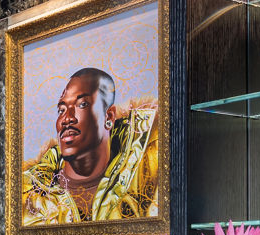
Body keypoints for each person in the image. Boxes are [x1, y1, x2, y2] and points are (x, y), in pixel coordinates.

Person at [21, 67, 159, 225]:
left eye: (82, 104)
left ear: (109, 116)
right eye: (61, 109)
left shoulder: (149, 168)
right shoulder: (29, 193)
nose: (66, 119)